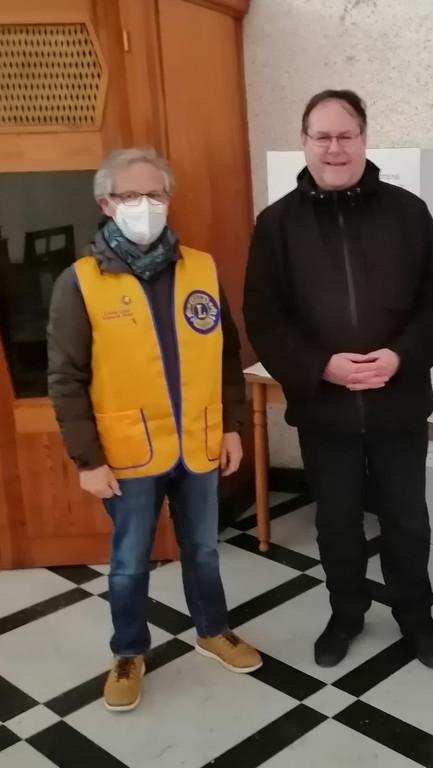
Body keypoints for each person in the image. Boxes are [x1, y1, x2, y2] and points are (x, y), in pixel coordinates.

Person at [244, 89, 433, 670]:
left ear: (364, 139)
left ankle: (416, 615)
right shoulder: (276, 225)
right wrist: (321, 366)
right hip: (325, 408)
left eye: (346, 135)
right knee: (336, 522)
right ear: (304, 142)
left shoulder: (407, 212)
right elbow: (264, 316)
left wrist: (401, 357)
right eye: (322, 136)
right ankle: (346, 612)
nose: (334, 147)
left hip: (398, 401)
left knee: (406, 518)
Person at [47, 148, 261, 712]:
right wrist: (87, 460)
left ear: (169, 198)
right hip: (127, 454)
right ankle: (128, 652)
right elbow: (66, 379)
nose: (144, 205)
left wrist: (233, 427)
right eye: (129, 196)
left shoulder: (201, 268)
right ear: (105, 203)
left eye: (155, 194)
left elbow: (226, 355)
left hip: (199, 442)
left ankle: (212, 629)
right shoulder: (80, 282)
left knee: (203, 550)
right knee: (129, 561)